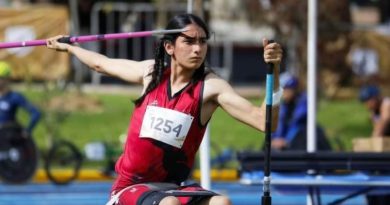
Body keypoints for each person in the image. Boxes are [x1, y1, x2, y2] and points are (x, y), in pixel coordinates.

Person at [46, 14, 283, 205]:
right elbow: (101, 64)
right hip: (130, 188)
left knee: (222, 202)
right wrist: (71, 47)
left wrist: (274, 71)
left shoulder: (211, 87)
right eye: (189, 42)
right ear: (169, 47)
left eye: (202, 41)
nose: (197, 49)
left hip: (176, 187)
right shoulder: (151, 74)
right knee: (168, 204)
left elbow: (265, 122)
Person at [271, 73, 331, 151]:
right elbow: (279, 125)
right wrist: (275, 139)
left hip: (299, 142)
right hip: (284, 142)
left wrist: (286, 140)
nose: (283, 93)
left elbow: (297, 124)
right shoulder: (283, 106)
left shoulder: (304, 103)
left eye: (286, 89)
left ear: (293, 90)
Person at [0, 61, 41, 136]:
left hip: (7, 139)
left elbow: (36, 113)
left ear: (6, 79)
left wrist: (27, 131)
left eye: (0, 78)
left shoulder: (14, 97)